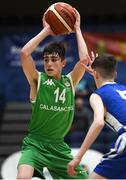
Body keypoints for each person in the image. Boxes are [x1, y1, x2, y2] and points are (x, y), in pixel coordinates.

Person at [17, 9, 89, 179]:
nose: (49, 63)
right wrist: (47, 31)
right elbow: (24, 54)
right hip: (34, 144)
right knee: (22, 178)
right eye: (46, 59)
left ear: (63, 63)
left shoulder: (69, 81)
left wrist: (77, 29)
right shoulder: (37, 80)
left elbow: (85, 60)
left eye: (54, 59)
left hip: (58, 147)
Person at [67, 54, 126, 179]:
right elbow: (107, 83)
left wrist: (78, 157)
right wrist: (97, 72)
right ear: (116, 74)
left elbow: (98, 123)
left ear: (95, 74)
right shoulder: (124, 88)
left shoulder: (97, 95)